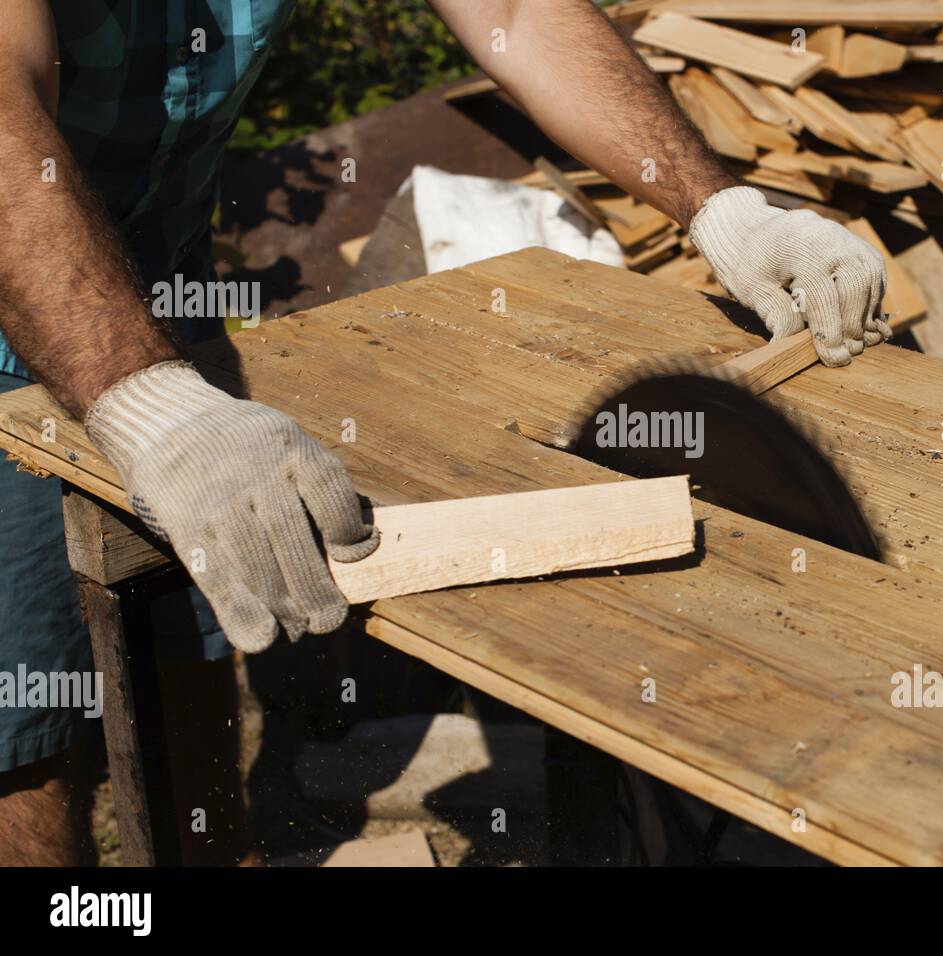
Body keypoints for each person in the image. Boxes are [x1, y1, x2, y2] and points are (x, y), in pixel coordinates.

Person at [0, 0, 889, 865]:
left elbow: (519, 13)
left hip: (169, 311)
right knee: (22, 737)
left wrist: (721, 210)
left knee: (188, 662)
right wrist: (150, 404)